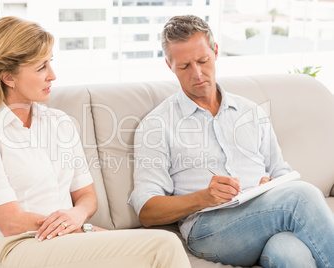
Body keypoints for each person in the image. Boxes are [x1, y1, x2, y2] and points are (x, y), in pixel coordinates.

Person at [0, 16, 190, 268]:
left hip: (62, 242)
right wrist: (79, 229)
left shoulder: (60, 123)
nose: (52, 76)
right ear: (8, 78)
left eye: (50, 63)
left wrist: (77, 216)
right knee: (164, 245)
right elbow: (10, 221)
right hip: (10, 248)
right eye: (41, 67)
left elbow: (87, 196)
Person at [129, 15, 334, 268]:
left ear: (215, 52)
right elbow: (147, 212)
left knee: (290, 253)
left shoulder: (251, 112)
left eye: (203, 61)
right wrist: (203, 197)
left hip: (264, 217)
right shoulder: (157, 124)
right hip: (209, 230)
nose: (197, 73)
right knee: (302, 196)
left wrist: (273, 185)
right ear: (170, 66)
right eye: (184, 66)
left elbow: (281, 171)